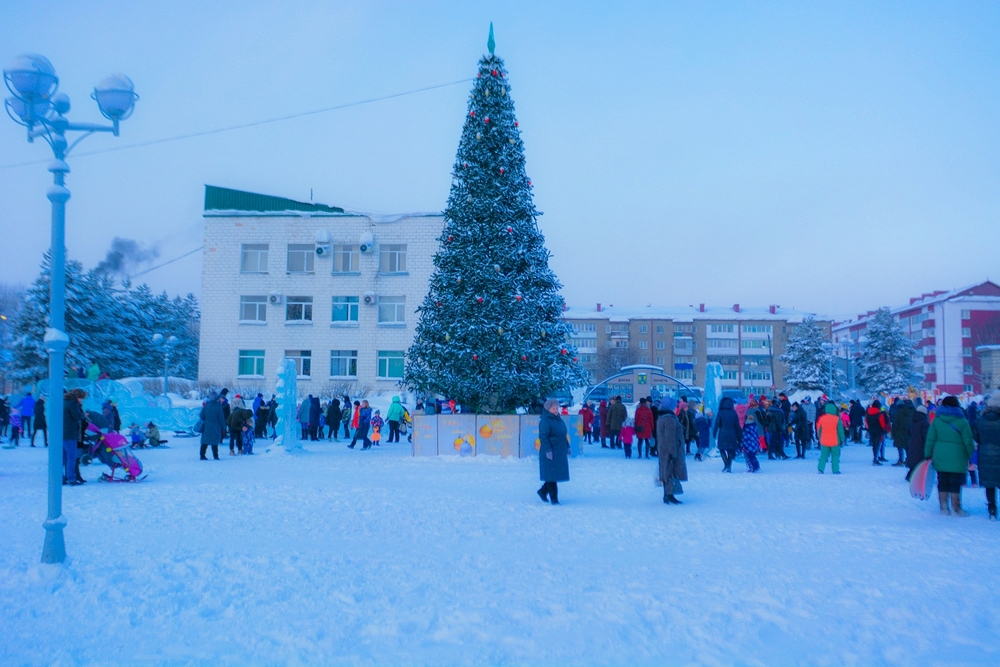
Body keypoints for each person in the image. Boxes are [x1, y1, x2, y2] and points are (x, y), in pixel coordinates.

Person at [925, 395, 975, 517]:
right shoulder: (963, 422)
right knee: (955, 482)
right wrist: (971, 457)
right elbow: (968, 441)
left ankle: (943, 507)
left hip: (940, 456)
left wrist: (927, 455)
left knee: (942, 481)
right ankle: (956, 508)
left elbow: (930, 440)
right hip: (958, 456)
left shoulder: (937, 421)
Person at [537, 398, 569, 504]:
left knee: (554, 474)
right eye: (554, 408)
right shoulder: (545, 421)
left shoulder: (558, 419)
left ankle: (542, 491)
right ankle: (554, 499)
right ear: (548, 409)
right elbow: (543, 437)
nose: (556, 410)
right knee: (551, 475)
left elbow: (562, 435)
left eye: (557, 408)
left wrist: (567, 446)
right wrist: (547, 450)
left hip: (559, 451)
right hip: (550, 452)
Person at [973, 394, 1000, 521]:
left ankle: (992, 509)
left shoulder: (981, 419)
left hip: (985, 456)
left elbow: (976, 438)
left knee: (990, 485)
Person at [656, 397, 687, 504]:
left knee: (666, 471)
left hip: (664, 449)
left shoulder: (662, 418)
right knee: (671, 472)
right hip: (670, 450)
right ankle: (669, 495)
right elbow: (670, 437)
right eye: (675, 407)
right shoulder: (669, 419)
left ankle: (667, 494)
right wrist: (673, 452)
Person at [63, 388, 87, 485]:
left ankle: (62, 477)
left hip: (62, 433)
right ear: (77, 397)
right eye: (81, 398)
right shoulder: (72, 404)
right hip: (70, 433)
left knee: (63, 457)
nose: (81, 400)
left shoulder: (64, 402)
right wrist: (83, 414)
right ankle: (71, 478)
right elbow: (77, 416)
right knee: (71, 457)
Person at [713, 397, 741, 473]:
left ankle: (726, 464)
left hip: (723, 433)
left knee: (722, 449)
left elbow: (717, 424)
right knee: (731, 450)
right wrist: (739, 436)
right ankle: (729, 465)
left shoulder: (721, 412)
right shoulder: (734, 412)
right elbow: (737, 425)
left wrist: (714, 433)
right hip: (732, 434)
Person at [816, 403, 845, 474]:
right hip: (835, 441)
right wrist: (842, 439)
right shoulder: (837, 419)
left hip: (824, 440)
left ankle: (820, 468)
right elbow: (840, 430)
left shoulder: (822, 418)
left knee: (823, 455)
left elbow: (819, 430)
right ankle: (835, 470)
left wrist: (820, 438)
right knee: (835, 456)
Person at [905, 405, 930, 482]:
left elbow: (908, 431)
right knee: (920, 461)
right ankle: (914, 476)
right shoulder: (924, 422)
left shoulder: (912, 420)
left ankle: (910, 475)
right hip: (921, 444)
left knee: (914, 460)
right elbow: (926, 435)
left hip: (912, 443)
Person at [199, 392, 226, 460]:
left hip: (207, 426)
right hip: (216, 427)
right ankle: (215, 456)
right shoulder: (219, 407)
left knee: (205, 441)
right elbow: (221, 419)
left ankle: (202, 455)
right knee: (215, 442)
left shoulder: (206, 406)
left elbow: (201, 416)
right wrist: (224, 428)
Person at [891, 399, 914, 467]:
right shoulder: (911, 412)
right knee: (907, 447)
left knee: (900, 447)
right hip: (908, 432)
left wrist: (893, 433)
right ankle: (908, 460)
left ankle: (901, 460)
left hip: (899, 433)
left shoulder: (898, 413)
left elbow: (895, 424)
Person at [866, 400, 889, 465]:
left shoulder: (868, 413)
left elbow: (866, 421)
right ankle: (876, 458)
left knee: (874, 444)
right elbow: (882, 423)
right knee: (878, 444)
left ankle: (875, 457)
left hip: (871, 430)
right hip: (879, 431)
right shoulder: (880, 414)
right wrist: (884, 429)